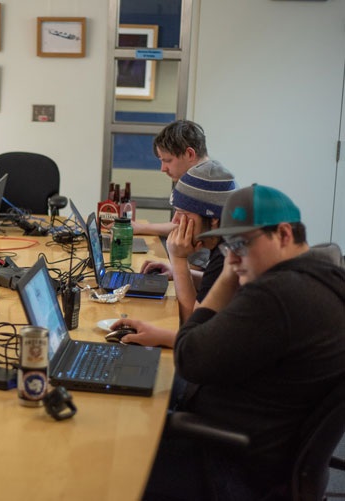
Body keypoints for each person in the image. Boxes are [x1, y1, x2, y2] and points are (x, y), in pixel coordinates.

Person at [143, 184, 345, 499]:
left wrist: (226, 277)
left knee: (116, 444)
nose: (233, 257)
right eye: (228, 245)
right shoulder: (326, 271)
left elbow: (189, 354)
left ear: (284, 235)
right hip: (265, 445)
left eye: (242, 243)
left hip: (229, 462)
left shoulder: (276, 295)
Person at [112, 162, 237, 345]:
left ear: (214, 219)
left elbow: (192, 331)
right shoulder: (227, 240)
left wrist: (178, 260)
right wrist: (179, 271)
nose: (175, 221)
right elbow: (216, 286)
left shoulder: (229, 255)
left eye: (182, 213)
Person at [132, 120, 222, 237]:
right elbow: (180, 226)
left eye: (167, 161)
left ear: (189, 154)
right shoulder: (198, 178)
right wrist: (139, 227)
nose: (163, 168)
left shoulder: (209, 185)